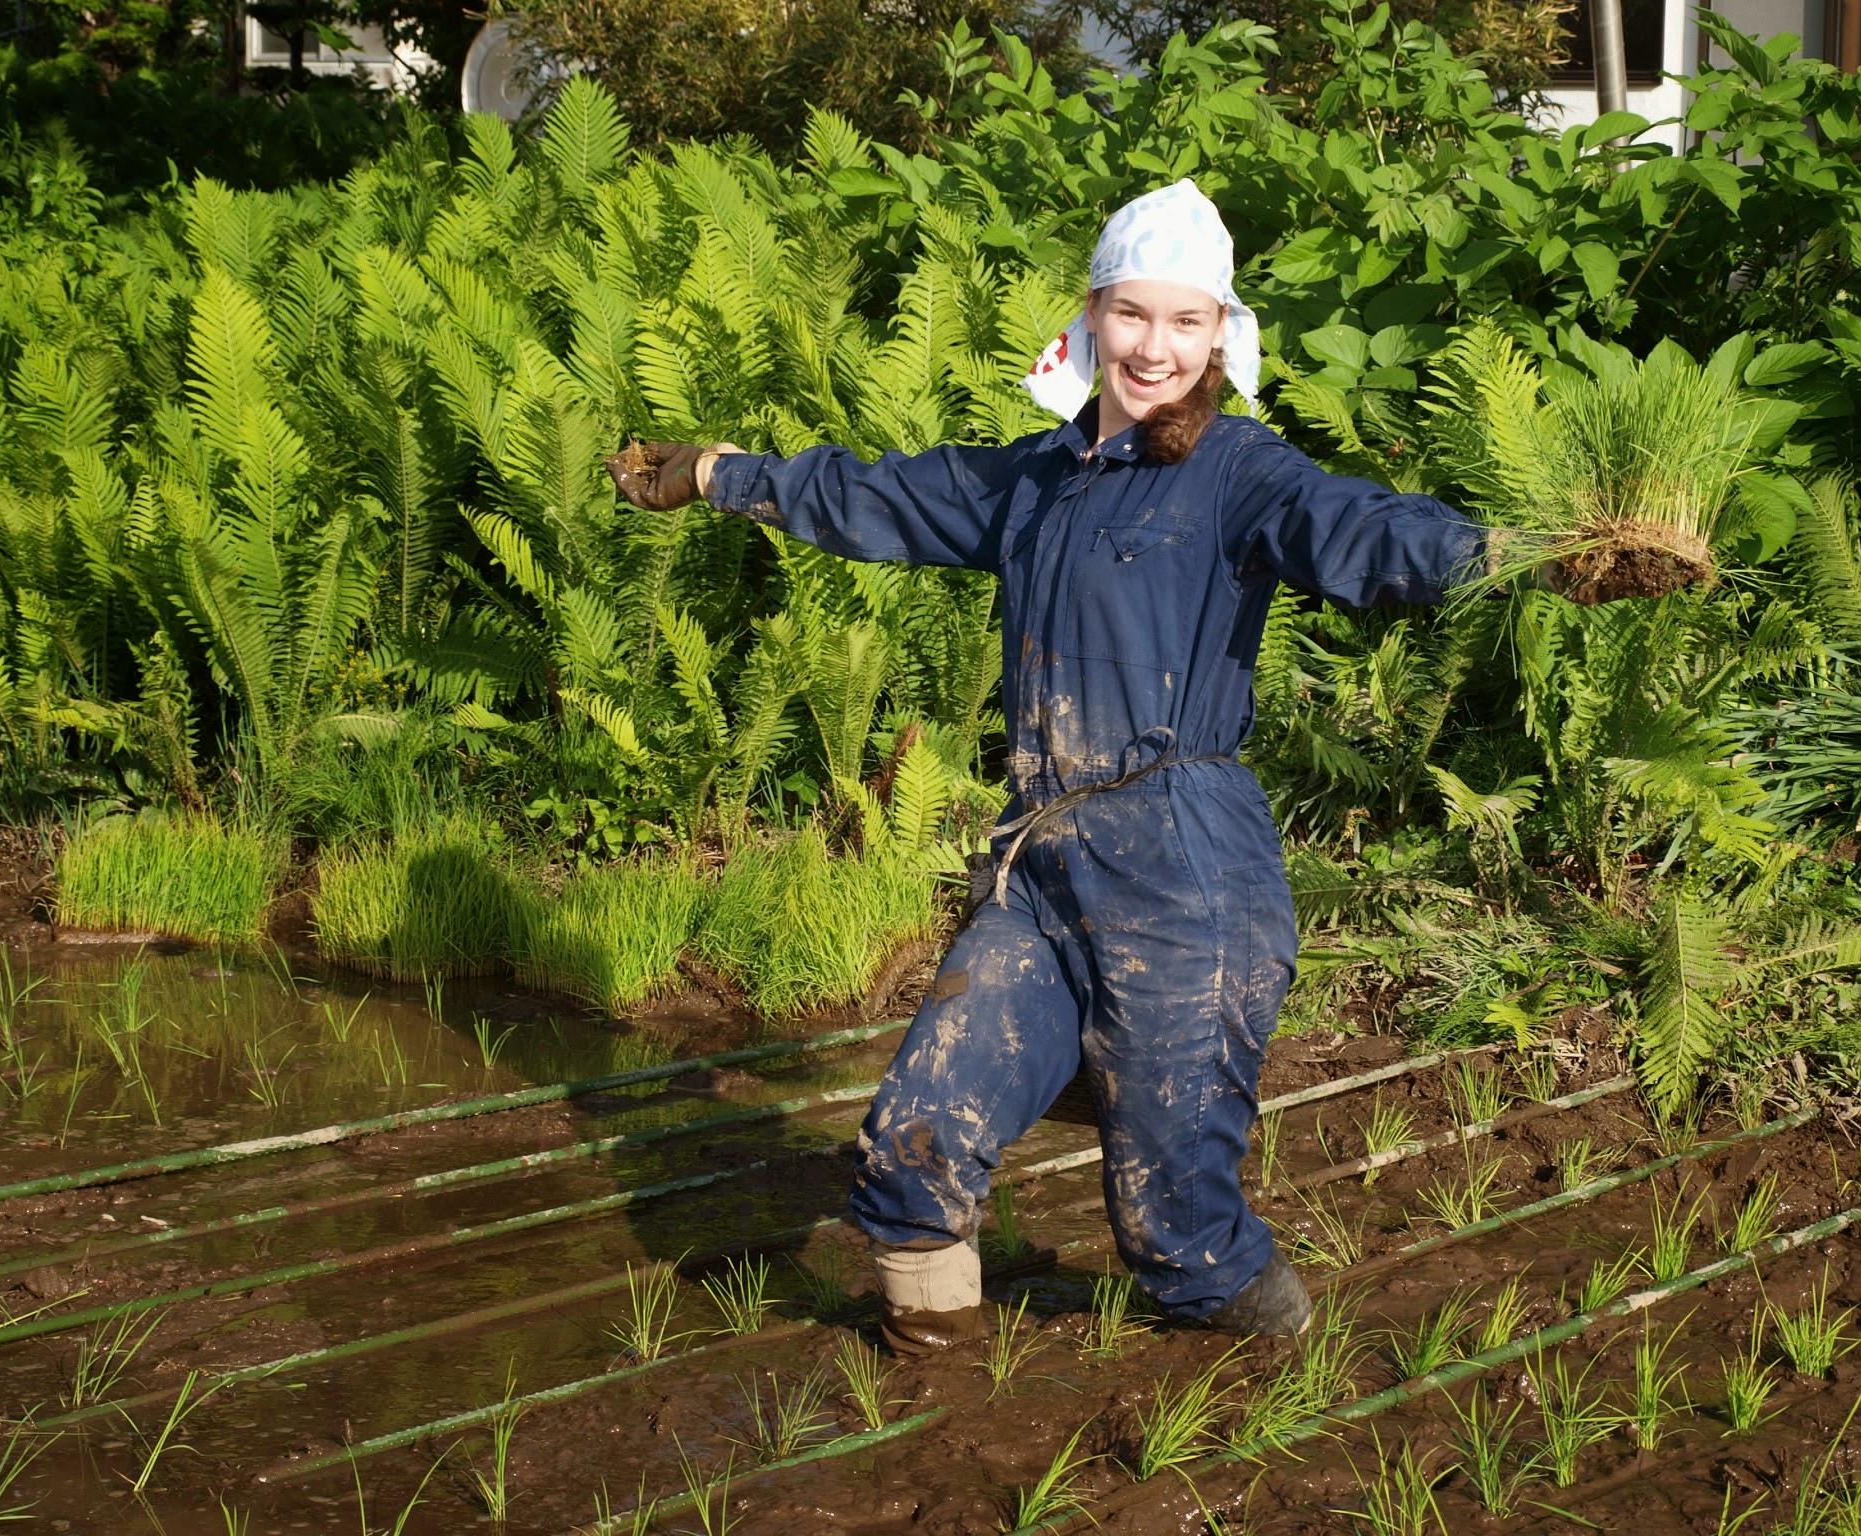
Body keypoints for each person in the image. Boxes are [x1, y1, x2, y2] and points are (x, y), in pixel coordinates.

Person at [608, 179, 1514, 1352]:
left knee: (1175, 1232)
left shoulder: (1239, 472)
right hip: (1042, 866)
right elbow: (873, 493)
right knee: (912, 1143)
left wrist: (1501, 555)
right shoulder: (1035, 481)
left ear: (1218, 336)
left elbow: (1356, 526)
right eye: (1133, 315)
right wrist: (721, 473)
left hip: (1183, 875)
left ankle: (1293, 1374)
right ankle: (926, 1393)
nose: (1154, 348)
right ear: (1090, 318)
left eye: (1185, 323)